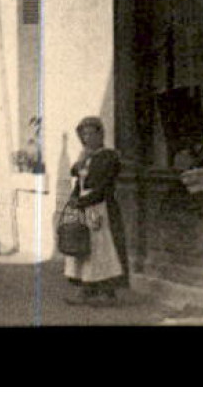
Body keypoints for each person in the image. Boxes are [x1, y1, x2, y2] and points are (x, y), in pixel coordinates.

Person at [63, 116, 129, 305]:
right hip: (84, 205)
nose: (87, 137)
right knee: (84, 247)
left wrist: (85, 201)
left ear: (100, 134)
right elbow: (79, 181)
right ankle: (86, 290)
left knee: (102, 250)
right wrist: (74, 199)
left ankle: (109, 294)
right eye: (84, 134)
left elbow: (105, 185)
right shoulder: (85, 157)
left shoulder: (109, 156)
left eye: (91, 133)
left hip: (101, 206)